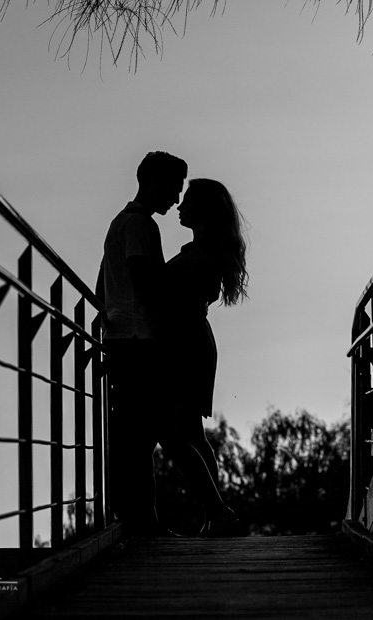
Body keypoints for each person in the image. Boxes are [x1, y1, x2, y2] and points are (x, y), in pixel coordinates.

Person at [96, 151, 187, 535]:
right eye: (174, 188)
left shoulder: (121, 223)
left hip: (122, 337)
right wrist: (166, 329)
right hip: (138, 339)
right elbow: (144, 280)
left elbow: (102, 284)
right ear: (153, 182)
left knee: (136, 431)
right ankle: (141, 518)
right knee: (142, 431)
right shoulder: (139, 225)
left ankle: (137, 515)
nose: (177, 199)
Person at [158, 178, 248, 535]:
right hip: (189, 341)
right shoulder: (201, 250)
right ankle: (216, 515)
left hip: (185, 344)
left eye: (189, 200)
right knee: (191, 434)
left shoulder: (202, 255)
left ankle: (217, 510)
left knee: (174, 433)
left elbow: (168, 295)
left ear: (204, 210)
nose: (180, 205)